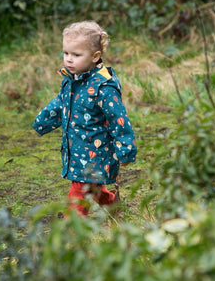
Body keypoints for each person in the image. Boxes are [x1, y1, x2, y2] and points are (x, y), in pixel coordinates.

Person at [33, 21, 137, 216]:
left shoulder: (104, 87)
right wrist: (43, 121)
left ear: (95, 56)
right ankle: (113, 204)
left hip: (97, 152)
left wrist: (125, 149)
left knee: (79, 191)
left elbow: (118, 118)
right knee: (94, 189)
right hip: (77, 148)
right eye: (66, 53)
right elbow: (62, 102)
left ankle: (71, 230)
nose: (69, 60)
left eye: (76, 55)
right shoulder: (73, 80)